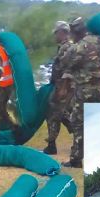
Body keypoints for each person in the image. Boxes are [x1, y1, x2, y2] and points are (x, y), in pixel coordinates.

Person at [60, 17, 100, 168]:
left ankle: (76, 160)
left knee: (78, 122)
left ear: (74, 32)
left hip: (87, 92)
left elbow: (64, 62)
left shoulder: (78, 48)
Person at [43, 21, 74, 155]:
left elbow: (67, 70)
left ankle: (52, 145)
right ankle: (52, 144)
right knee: (61, 115)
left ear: (62, 32)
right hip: (62, 86)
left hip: (63, 87)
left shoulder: (67, 48)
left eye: (56, 33)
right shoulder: (64, 47)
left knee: (53, 114)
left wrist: (62, 89)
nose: (55, 35)